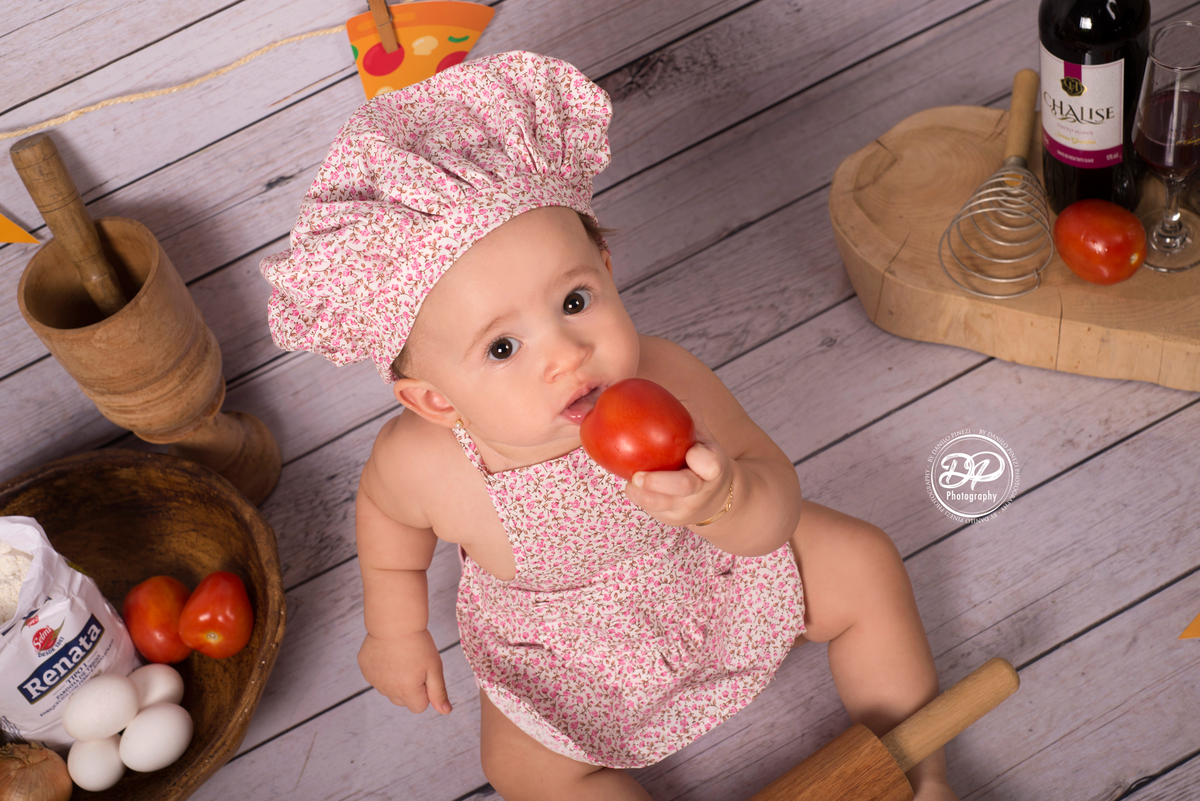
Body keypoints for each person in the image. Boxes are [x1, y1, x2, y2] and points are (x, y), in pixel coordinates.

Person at [261, 50, 956, 801]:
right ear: (436, 401)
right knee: (521, 768)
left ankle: (921, 770)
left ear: (607, 264)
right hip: (562, 648)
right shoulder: (424, 465)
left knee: (863, 561)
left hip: (703, 568)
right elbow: (388, 524)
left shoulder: (663, 376)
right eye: (502, 347)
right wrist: (393, 629)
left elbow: (773, 495)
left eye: (574, 300)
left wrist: (723, 503)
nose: (567, 354)